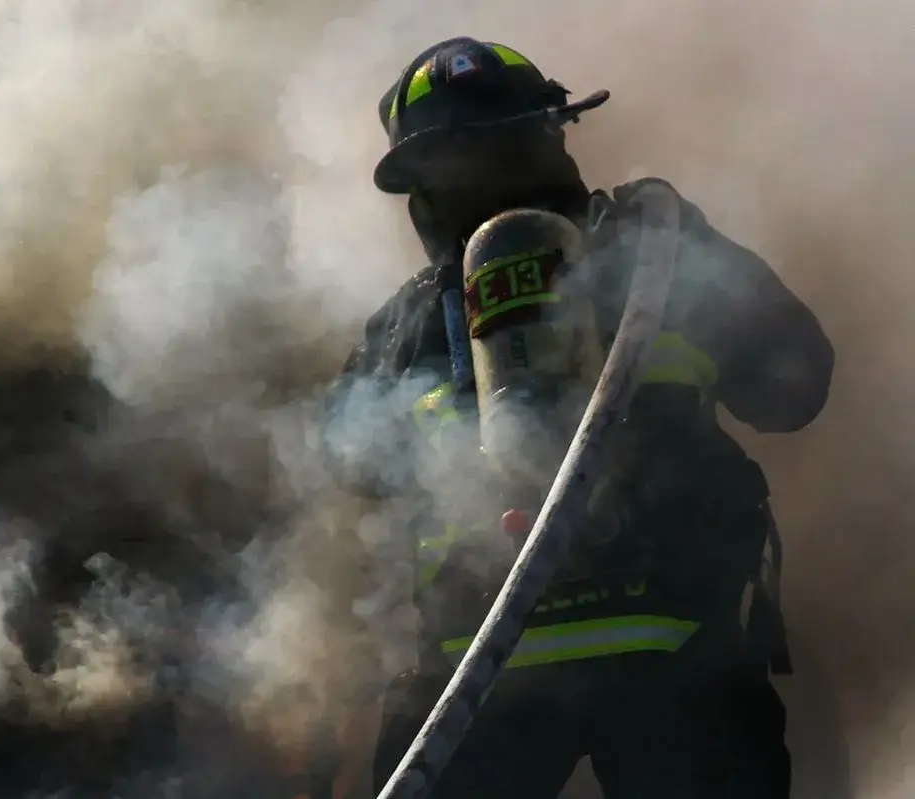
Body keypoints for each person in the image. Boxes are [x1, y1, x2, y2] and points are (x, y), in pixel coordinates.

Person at [319, 36, 835, 799]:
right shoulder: (657, 251)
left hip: (483, 678)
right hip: (669, 657)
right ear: (553, 131)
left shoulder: (406, 327)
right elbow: (794, 386)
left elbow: (347, 463)